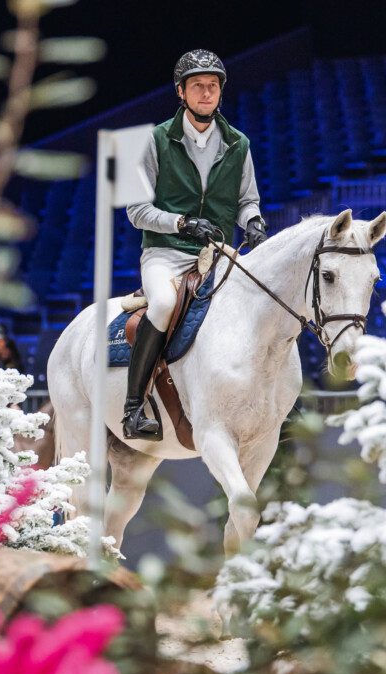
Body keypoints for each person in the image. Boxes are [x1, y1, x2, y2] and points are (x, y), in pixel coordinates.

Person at [123, 48, 268, 441]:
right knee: (165, 304)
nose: (206, 93)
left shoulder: (239, 143)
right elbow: (136, 210)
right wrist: (182, 223)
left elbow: (247, 200)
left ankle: (274, 404)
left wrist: (252, 222)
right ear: (181, 92)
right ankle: (133, 407)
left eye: (213, 86)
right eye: (198, 86)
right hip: (165, 252)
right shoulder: (153, 140)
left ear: (221, 93)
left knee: (260, 299)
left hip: (217, 253)